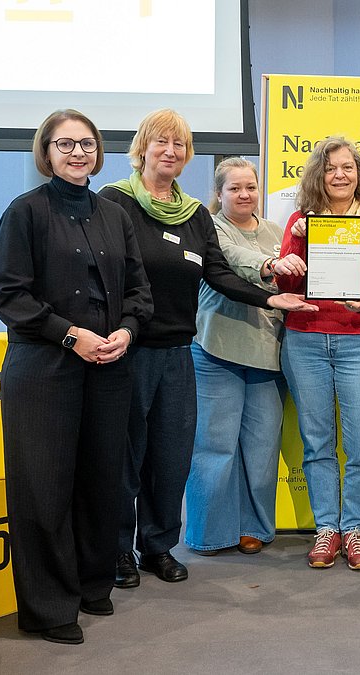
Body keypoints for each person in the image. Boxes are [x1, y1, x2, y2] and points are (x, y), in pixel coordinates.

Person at [98, 109, 314, 589]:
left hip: (178, 349)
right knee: (126, 457)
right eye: (161, 143)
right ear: (143, 148)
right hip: (128, 351)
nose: (171, 151)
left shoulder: (194, 214)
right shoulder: (114, 202)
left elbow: (217, 271)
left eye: (179, 144)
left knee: (171, 457)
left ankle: (157, 547)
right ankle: (117, 552)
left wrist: (268, 297)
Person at [0, 109, 153, 645]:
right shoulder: (25, 212)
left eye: (86, 144)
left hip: (109, 365)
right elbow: (9, 294)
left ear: (99, 151)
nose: (77, 152)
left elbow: (137, 289)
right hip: (45, 368)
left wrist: (126, 330)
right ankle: (48, 607)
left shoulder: (113, 213)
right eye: (66, 144)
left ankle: (90, 583)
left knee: (101, 479)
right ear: (46, 151)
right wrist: (70, 335)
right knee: (45, 487)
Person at [276, 137, 360, 570]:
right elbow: (285, 287)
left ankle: (358, 531)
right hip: (305, 339)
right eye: (331, 168)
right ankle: (327, 529)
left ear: (359, 173)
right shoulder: (299, 221)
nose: (340, 175)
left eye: (348, 167)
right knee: (318, 442)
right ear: (319, 175)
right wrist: (291, 250)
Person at [184, 157, 305, 555]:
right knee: (214, 447)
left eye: (250, 187)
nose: (244, 194)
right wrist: (272, 264)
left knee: (261, 446)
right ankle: (210, 532)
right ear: (218, 194)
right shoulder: (210, 228)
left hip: (268, 355)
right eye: (234, 188)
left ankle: (254, 527)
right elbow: (234, 261)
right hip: (217, 349)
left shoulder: (276, 230)